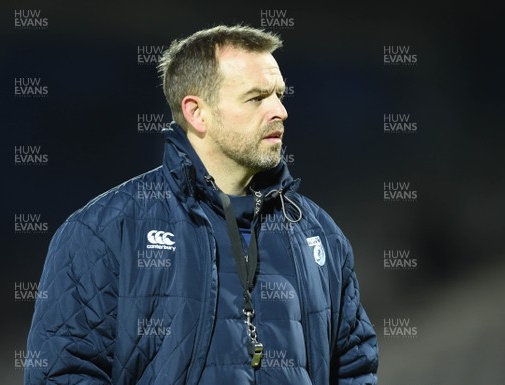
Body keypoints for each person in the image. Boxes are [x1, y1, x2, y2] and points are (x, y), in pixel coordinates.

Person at [25, 24, 379, 385]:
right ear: (197, 113)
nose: (280, 111)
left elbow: (354, 367)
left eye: (279, 94)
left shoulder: (318, 233)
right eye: (257, 97)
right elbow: (63, 375)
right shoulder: (104, 231)